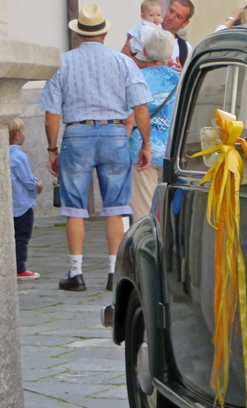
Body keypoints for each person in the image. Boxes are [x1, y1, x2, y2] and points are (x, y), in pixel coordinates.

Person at [40, 3, 152, 292]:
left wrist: (52, 149)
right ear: (104, 33)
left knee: (74, 208)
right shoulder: (123, 63)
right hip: (115, 133)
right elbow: (140, 108)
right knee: (116, 206)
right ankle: (115, 273)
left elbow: (52, 114)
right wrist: (146, 144)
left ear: (78, 35)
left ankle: (76, 274)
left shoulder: (62, 63)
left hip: (77, 133)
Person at [126, 29, 180, 223]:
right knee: (170, 210)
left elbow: (130, 118)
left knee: (143, 212)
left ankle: (147, 248)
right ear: (169, 54)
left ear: (146, 52)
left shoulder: (136, 78)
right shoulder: (180, 79)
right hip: (173, 151)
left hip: (141, 150)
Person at [8, 117, 43, 280]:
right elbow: (27, 180)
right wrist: (37, 187)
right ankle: (20, 268)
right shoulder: (19, 156)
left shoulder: (2, 154)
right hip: (22, 205)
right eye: (24, 132)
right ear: (17, 135)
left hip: (10, 205)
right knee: (22, 237)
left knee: (11, 237)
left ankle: (11, 265)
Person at [124, 0, 195, 71]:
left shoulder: (186, 48)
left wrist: (182, 73)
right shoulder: (143, 29)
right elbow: (124, 57)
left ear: (185, 23)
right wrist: (158, 66)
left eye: (178, 16)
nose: (171, 17)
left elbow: (190, 77)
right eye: (171, 11)